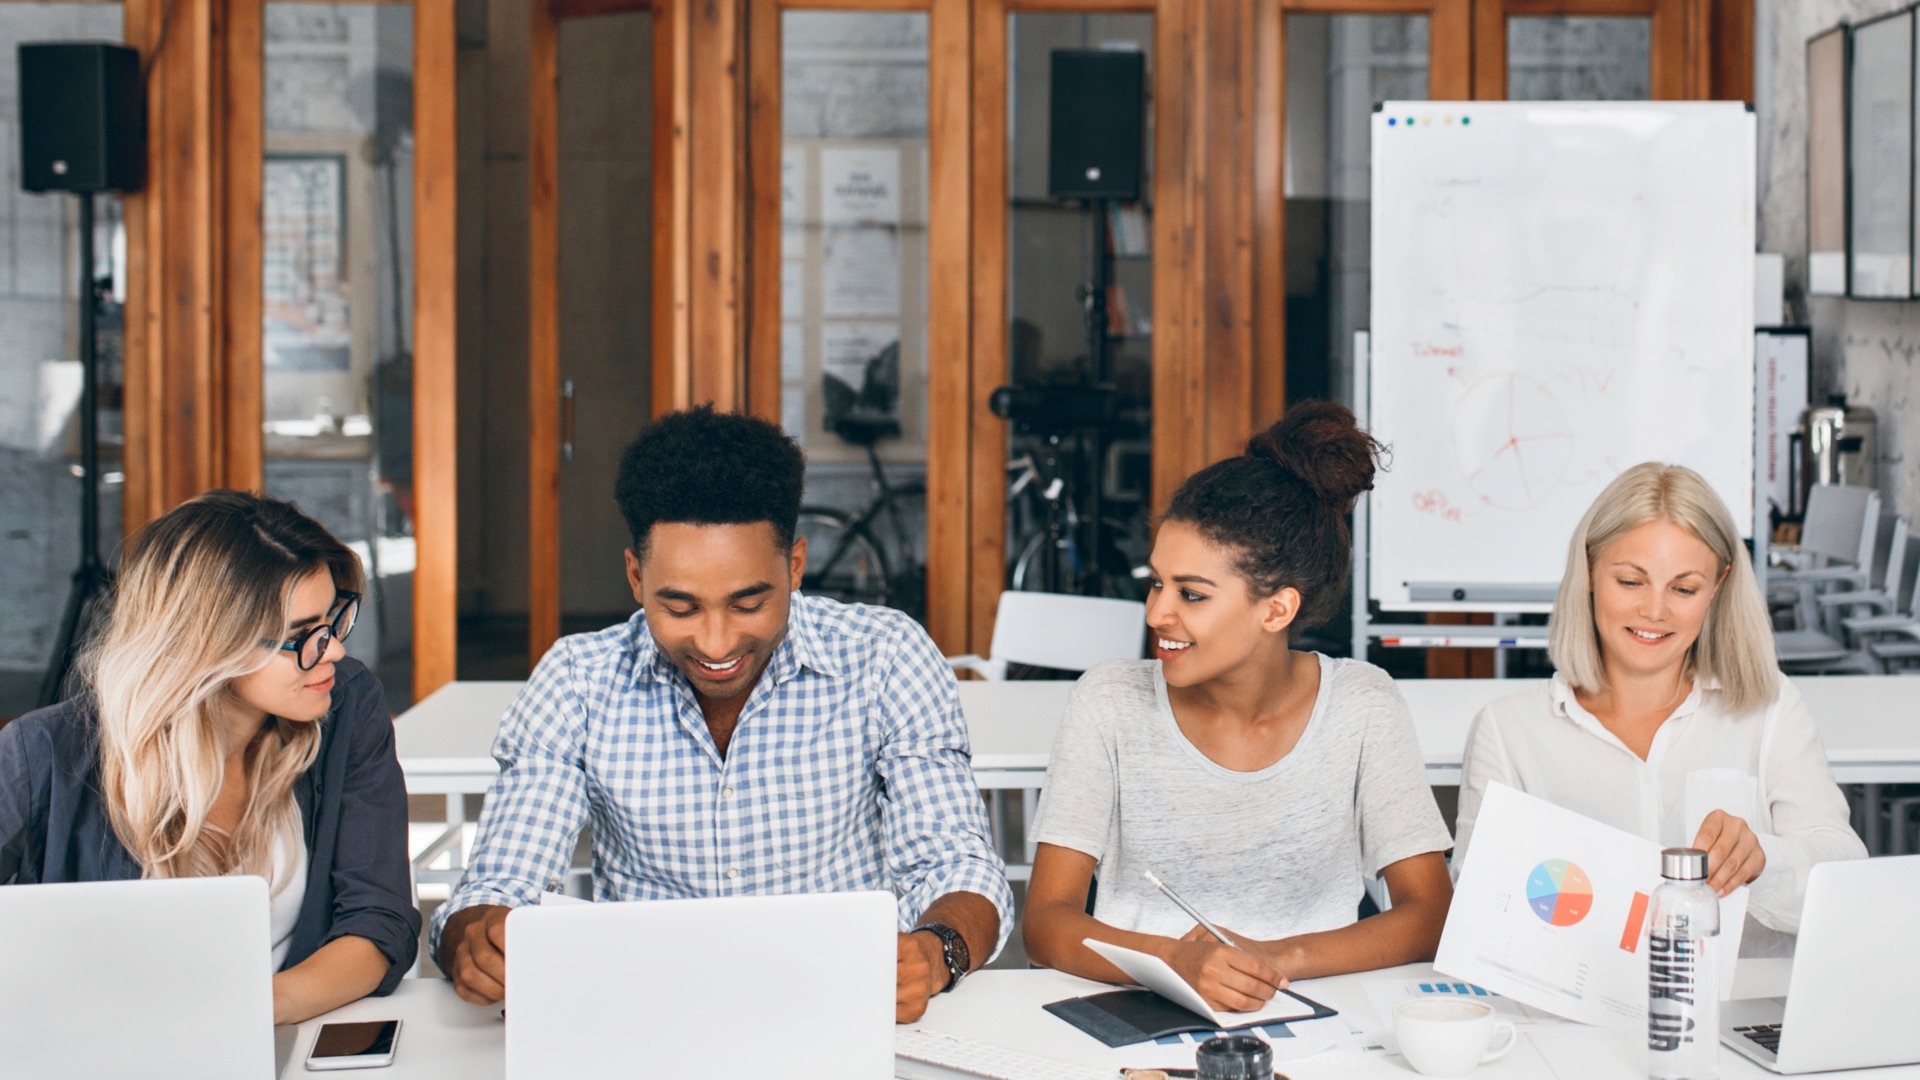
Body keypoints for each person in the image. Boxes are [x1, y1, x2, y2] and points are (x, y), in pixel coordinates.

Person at [431, 406, 1011, 1023]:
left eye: (748, 603)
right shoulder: (578, 681)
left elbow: (957, 863)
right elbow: (496, 888)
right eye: (679, 608)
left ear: (794, 567)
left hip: (838, 1013)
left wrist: (936, 950)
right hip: (644, 1021)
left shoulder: (885, 656)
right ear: (635, 577)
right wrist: (476, 941)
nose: (714, 644)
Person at [1022, 402, 1456, 1013]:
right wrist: (1175, 961)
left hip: (1320, 1015)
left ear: (1276, 609)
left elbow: (1430, 914)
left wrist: (1277, 959)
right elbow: (1045, 925)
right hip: (1131, 1010)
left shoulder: (1363, 705)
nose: (1156, 614)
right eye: (1155, 582)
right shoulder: (1109, 701)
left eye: (1191, 594)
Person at [0, 490, 420, 1023]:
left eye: (334, 619)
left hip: (280, 1047)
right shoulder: (43, 755)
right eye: (302, 637)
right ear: (206, 645)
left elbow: (378, 921)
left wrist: (244, 1011)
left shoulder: (345, 703)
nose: (333, 649)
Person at [1454, 462, 1867, 956]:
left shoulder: (1769, 707)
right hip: (1577, 1025)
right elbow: (1477, 912)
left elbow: (1844, 874)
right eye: (1631, 582)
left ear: (1718, 587)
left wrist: (1764, 860)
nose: (1655, 610)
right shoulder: (1508, 731)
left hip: (1740, 1012)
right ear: (1589, 571)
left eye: (1684, 588)